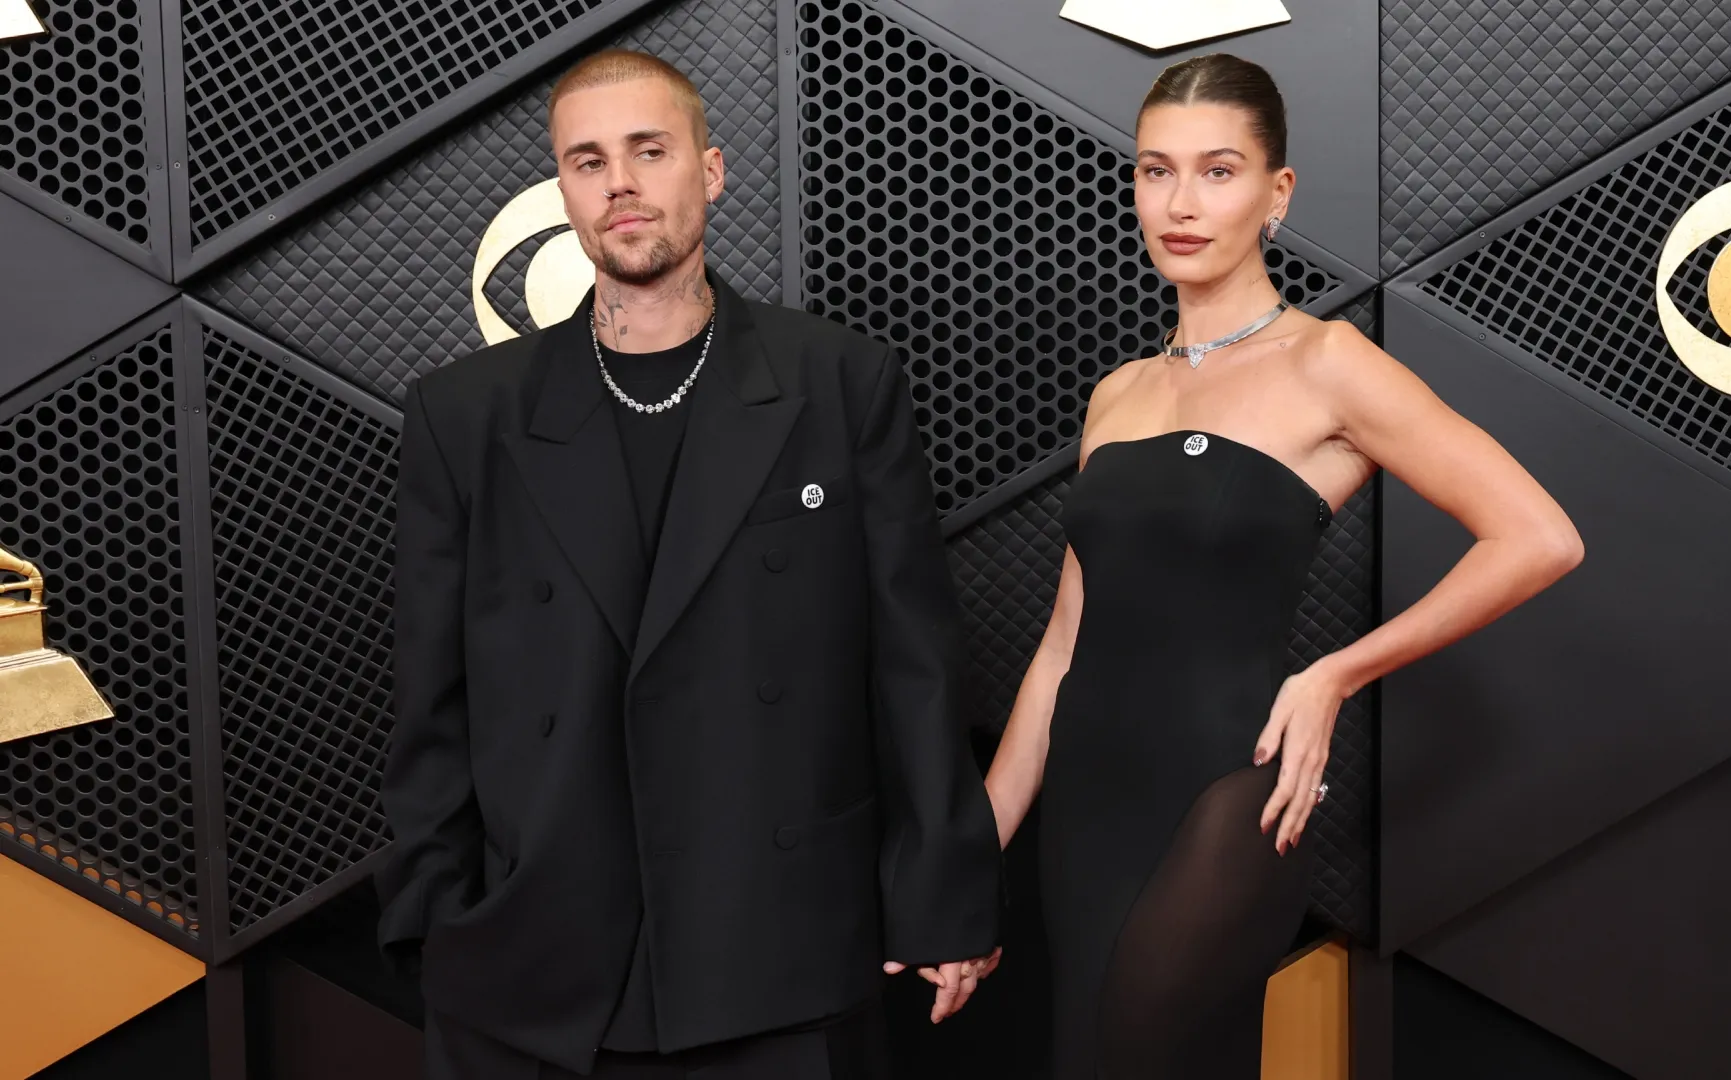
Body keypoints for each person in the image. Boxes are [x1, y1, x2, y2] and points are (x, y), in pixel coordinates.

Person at [375, 49, 1001, 1079]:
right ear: (563, 192)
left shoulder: (840, 382)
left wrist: (945, 891)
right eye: (587, 161)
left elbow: (913, 665)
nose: (619, 183)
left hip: (781, 944)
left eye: (649, 151)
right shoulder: (466, 414)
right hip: (539, 966)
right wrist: (435, 918)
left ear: (710, 172)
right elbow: (431, 699)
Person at [977, 54, 1586, 1079]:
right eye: (1156, 171)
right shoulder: (1117, 394)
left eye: (1218, 172)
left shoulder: (1328, 362)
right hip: (1085, 808)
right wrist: (972, 853)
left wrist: (1336, 673)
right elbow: (1062, 649)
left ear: (1277, 193)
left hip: (1227, 793)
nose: (1180, 204)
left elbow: (1539, 536)